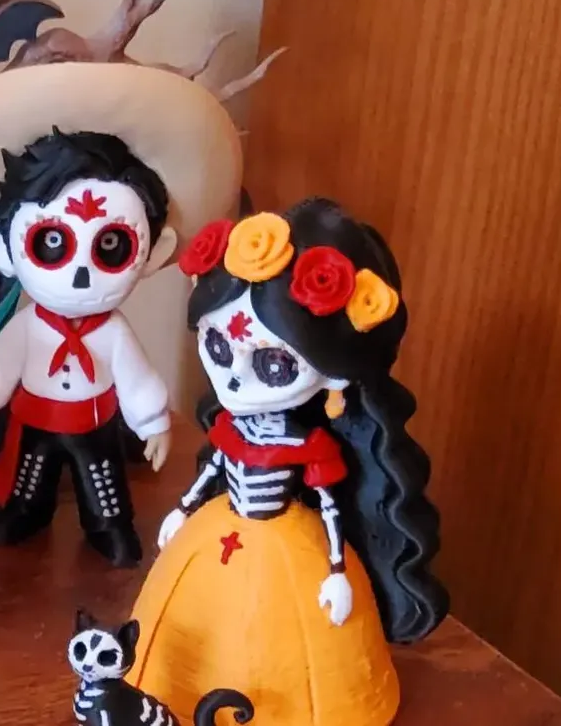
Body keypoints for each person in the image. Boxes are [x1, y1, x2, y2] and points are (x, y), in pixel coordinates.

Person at [127, 198, 449, 725]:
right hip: (215, 529)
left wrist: (337, 570)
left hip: (292, 548)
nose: (235, 379)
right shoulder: (232, 431)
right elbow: (214, 468)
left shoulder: (306, 446)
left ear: (334, 374)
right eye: (220, 346)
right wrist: (182, 509)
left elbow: (329, 505)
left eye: (274, 363)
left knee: (295, 658)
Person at [0, 62, 243, 567]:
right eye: (51, 242)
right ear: (4, 248)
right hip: (36, 419)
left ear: (153, 252)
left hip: (96, 422)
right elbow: (1, 361)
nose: (80, 272)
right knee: (29, 478)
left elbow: (135, 376)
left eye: (111, 245)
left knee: (104, 483)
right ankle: (26, 513)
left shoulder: (112, 333)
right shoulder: (30, 328)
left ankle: (107, 526)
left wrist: (153, 421)